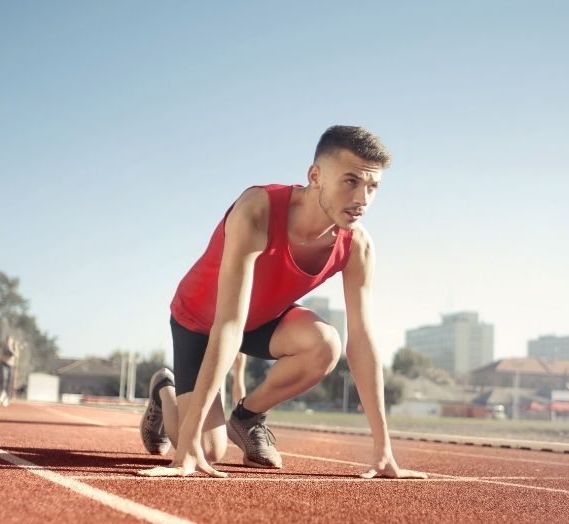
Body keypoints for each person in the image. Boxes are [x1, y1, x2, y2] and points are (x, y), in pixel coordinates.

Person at [141, 125, 426, 479]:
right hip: (200, 321)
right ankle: (164, 391)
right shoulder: (257, 209)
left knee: (325, 344)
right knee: (208, 449)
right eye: (351, 181)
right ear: (315, 176)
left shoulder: (357, 246)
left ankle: (247, 418)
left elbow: (362, 340)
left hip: (262, 320)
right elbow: (228, 323)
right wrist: (187, 445)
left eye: (373, 187)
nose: (362, 199)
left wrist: (383, 449)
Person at [0, 336, 19, 407]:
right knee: (4, 378)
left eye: (10, 341)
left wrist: (11, 350)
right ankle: (3, 392)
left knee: (9, 381)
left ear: (12, 341)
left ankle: (8, 397)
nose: (9, 342)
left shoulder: (14, 347)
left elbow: (17, 356)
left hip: (11, 366)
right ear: (6, 342)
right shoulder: (4, 347)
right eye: (8, 341)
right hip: (4, 364)